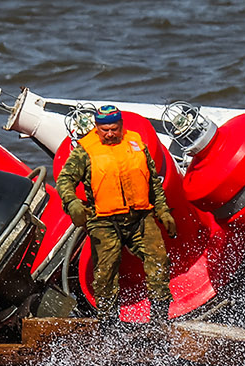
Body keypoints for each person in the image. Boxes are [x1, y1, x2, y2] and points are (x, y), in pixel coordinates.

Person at [56, 104, 177, 327]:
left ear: (121, 126)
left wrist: (163, 211)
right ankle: (108, 325)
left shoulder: (137, 143)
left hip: (140, 217)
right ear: (97, 128)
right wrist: (72, 202)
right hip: (104, 221)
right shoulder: (84, 151)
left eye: (114, 128)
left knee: (158, 260)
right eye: (105, 130)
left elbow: (153, 182)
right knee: (105, 272)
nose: (110, 134)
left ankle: (160, 321)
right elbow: (64, 180)